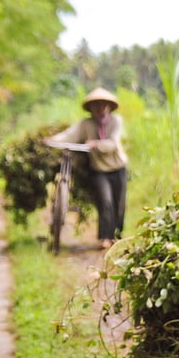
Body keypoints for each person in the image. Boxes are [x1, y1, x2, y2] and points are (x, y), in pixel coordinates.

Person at [44, 87, 129, 249]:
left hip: (118, 168)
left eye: (103, 105)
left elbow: (112, 143)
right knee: (106, 201)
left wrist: (96, 145)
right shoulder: (86, 124)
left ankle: (117, 235)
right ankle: (105, 237)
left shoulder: (116, 121)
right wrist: (52, 140)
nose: (100, 108)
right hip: (99, 171)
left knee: (119, 203)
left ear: (109, 107)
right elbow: (69, 135)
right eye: (96, 105)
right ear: (91, 108)